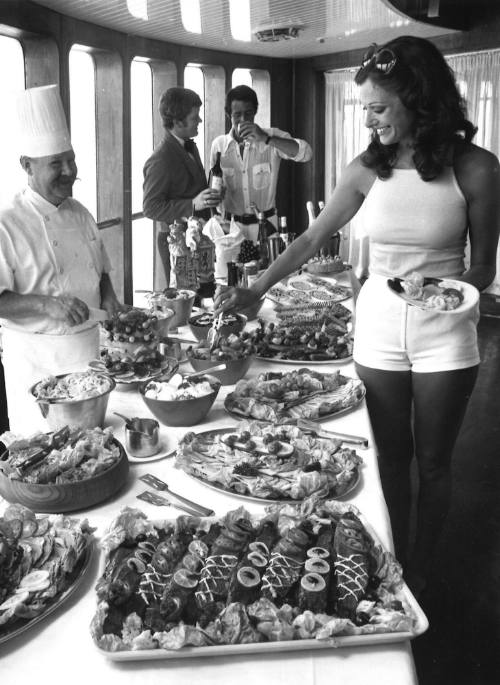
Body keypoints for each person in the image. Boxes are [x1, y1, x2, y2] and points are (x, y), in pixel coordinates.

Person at [214, 36, 500, 595]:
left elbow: (483, 268)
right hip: (376, 328)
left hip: (445, 332)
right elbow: (313, 237)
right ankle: (392, 554)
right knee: (391, 457)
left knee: (436, 462)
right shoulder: (367, 169)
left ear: (419, 98)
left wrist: (442, 290)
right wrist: (255, 290)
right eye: (365, 109)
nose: (370, 122)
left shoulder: (477, 168)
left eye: (378, 108)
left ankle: (424, 565)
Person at [0, 84, 121, 433]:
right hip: (39, 365)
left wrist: (110, 297)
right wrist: (46, 305)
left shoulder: (81, 213)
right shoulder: (7, 222)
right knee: (45, 459)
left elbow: (100, 271)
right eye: (56, 163)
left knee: (95, 448)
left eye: (71, 159)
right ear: (27, 165)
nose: (69, 171)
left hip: (89, 354)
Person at [209, 84, 312, 240]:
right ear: (228, 114)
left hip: (266, 227)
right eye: (237, 115)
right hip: (231, 229)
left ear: (255, 112)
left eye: (248, 114)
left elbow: (306, 153)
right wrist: (217, 196)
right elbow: (213, 188)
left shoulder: (271, 136)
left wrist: (266, 138)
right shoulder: (219, 145)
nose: (243, 120)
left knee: (269, 265)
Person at [143, 87, 221, 286]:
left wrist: (210, 198)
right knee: (184, 300)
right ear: (178, 122)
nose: (200, 121)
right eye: (195, 117)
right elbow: (151, 207)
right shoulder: (160, 159)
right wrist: (193, 203)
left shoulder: (188, 145)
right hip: (177, 243)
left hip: (197, 237)